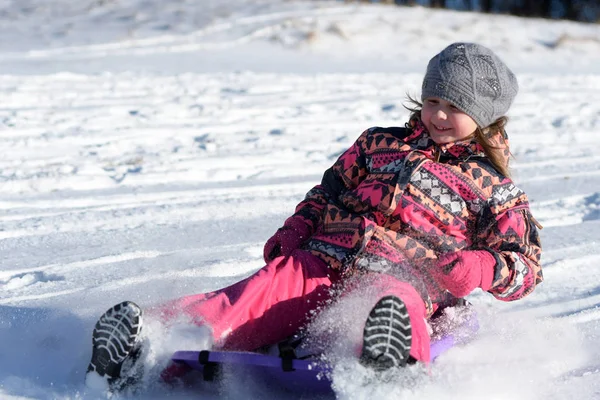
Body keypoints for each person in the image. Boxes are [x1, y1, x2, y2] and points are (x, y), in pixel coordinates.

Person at [85, 42, 543, 390]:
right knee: (263, 290)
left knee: (389, 303)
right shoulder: (377, 143)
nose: (439, 114)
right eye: (432, 101)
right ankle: (155, 343)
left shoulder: (493, 188)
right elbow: (328, 192)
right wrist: (298, 227)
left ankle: (386, 369)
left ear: (485, 118)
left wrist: (481, 267)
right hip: (325, 257)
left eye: (456, 107)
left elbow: (524, 264)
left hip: (408, 276)